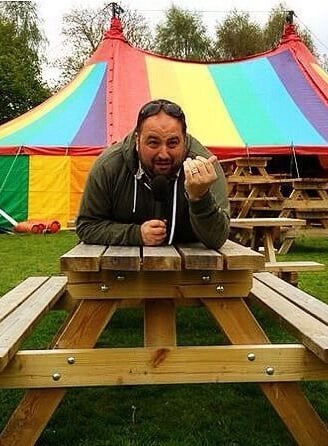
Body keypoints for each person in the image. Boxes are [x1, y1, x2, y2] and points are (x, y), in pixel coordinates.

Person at [76, 99, 230, 249]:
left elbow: (217, 239)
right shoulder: (108, 167)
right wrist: (135, 234)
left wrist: (200, 198)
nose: (163, 154)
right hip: (121, 269)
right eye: (153, 143)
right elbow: (87, 226)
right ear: (137, 140)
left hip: (194, 270)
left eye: (173, 143)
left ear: (184, 140)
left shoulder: (206, 169)